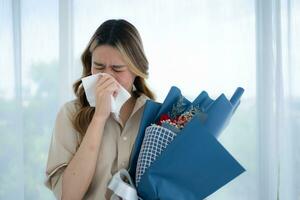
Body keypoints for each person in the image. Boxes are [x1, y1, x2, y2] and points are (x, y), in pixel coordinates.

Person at [45, 19, 155, 200]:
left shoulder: (154, 116)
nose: (107, 77)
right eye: (99, 66)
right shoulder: (70, 114)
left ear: (136, 69)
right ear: (89, 66)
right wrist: (99, 117)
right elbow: (69, 196)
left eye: (117, 69)